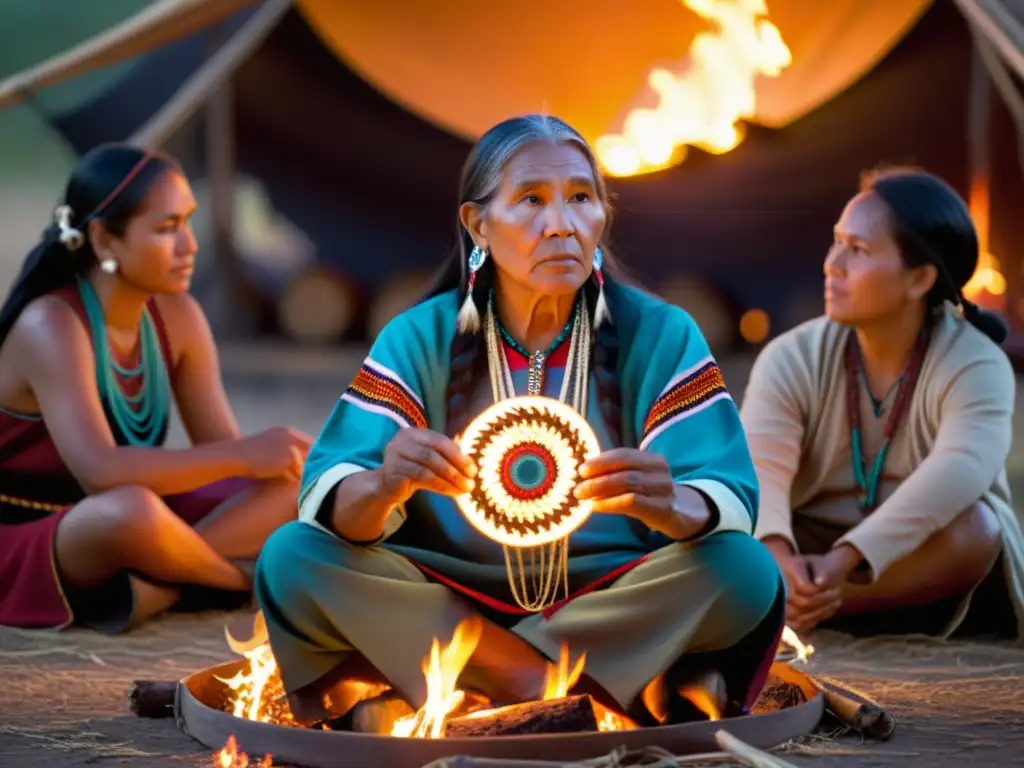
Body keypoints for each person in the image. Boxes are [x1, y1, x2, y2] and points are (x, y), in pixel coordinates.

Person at [254, 114, 784, 728]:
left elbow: (727, 500)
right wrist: (384, 484)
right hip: (441, 593)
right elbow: (333, 503)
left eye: (580, 198)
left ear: (602, 216)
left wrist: (672, 505)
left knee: (742, 569)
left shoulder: (660, 333)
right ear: (479, 224)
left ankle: (466, 690)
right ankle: (561, 687)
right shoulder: (420, 336)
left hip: (615, 593)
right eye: (531, 200)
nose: (561, 224)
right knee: (292, 556)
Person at [0, 143, 311, 634]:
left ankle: (163, 580)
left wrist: (277, 458)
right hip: (37, 531)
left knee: (297, 484)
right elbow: (102, 473)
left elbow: (225, 456)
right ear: (104, 240)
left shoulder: (177, 314)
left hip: (144, 516)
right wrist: (247, 454)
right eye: (168, 228)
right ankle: (231, 583)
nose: (190, 245)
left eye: (187, 222)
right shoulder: (51, 326)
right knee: (129, 511)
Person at [741, 167, 1024, 640]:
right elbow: (759, 468)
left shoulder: (976, 364)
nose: (833, 263)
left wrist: (844, 561)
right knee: (716, 523)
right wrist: (775, 552)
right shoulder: (791, 356)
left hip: (914, 558)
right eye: (837, 242)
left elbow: (959, 470)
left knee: (979, 528)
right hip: (804, 543)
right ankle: (790, 591)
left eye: (859, 250)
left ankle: (807, 606)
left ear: (919, 280)